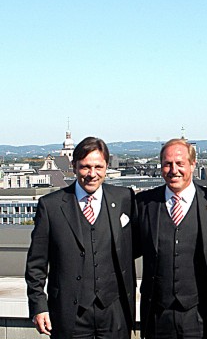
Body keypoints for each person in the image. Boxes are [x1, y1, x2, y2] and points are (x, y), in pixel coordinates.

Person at [25, 137, 137, 339]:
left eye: (98, 167)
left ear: (106, 167)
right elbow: (36, 264)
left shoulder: (124, 198)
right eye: (85, 167)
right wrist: (39, 306)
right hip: (70, 314)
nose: (92, 174)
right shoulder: (50, 206)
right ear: (74, 166)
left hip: (115, 313)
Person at [136, 138, 207, 339]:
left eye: (180, 163)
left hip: (202, 315)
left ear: (193, 165)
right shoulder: (144, 204)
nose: (173, 170)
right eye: (167, 164)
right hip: (157, 316)